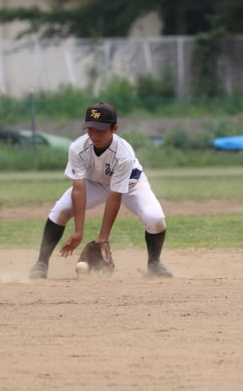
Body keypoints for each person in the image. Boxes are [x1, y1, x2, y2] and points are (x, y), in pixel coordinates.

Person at [28, 101, 173, 279]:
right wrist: (78, 231)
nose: (94, 135)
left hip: (130, 185)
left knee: (155, 218)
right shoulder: (77, 148)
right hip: (93, 183)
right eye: (90, 129)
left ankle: (154, 264)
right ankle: (41, 263)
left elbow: (115, 196)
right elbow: (79, 190)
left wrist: (103, 238)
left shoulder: (124, 154)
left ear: (114, 128)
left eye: (101, 129)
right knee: (60, 211)